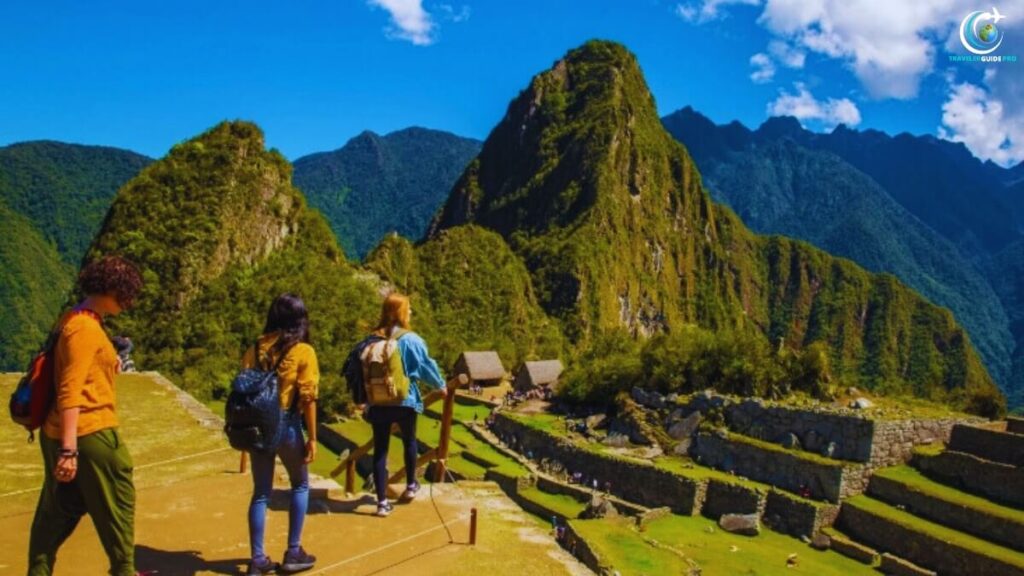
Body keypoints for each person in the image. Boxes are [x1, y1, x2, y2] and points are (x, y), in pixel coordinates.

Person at [27, 256, 143, 576]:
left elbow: (77, 370)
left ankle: (38, 570)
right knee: (118, 509)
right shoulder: (84, 328)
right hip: (91, 433)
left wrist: (110, 362)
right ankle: (124, 571)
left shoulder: (75, 317)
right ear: (109, 289)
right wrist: (69, 450)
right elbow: (70, 389)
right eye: (125, 293)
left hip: (62, 433)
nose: (129, 301)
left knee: (56, 513)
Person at [241, 294, 320, 575]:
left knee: (261, 493)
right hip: (286, 426)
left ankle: (258, 559)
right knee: (299, 484)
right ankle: (293, 551)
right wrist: (312, 437)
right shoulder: (303, 352)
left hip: (257, 429)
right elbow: (309, 398)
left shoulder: (255, 348)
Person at [361, 293, 447, 518]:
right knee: (409, 441)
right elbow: (425, 365)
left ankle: (381, 503)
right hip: (404, 400)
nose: (411, 312)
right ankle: (411, 485)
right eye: (408, 309)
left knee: (380, 450)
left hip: (378, 401)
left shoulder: (372, 338)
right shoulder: (411, 339)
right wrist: (441, 385)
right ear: (400, 312)